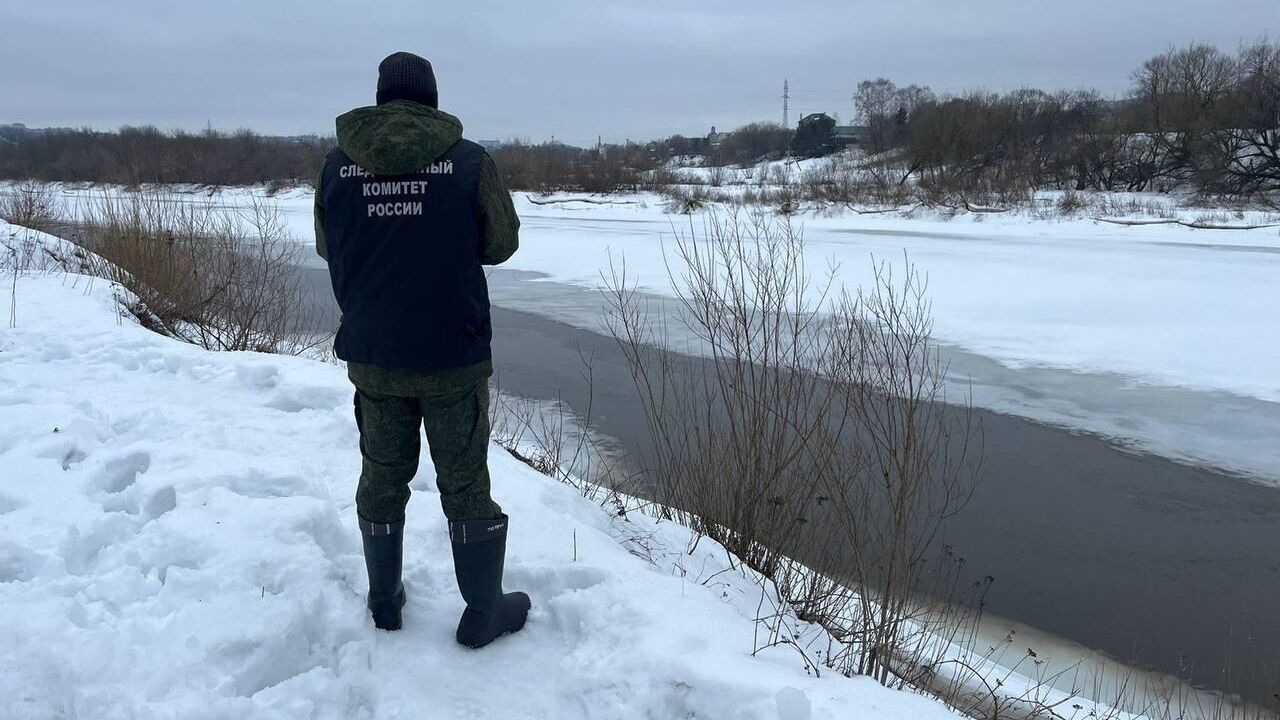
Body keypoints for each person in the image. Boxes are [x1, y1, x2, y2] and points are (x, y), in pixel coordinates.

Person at [313, 51, 528, 647]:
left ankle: (385, 601)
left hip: (375, 353)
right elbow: (502, 242)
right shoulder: (469, 163)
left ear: (381, 99)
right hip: (451, 354)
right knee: (464, 480)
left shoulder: (337, 167)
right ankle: (483, 610)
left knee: (382, 475)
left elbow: (331, 248)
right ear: (431, 99)